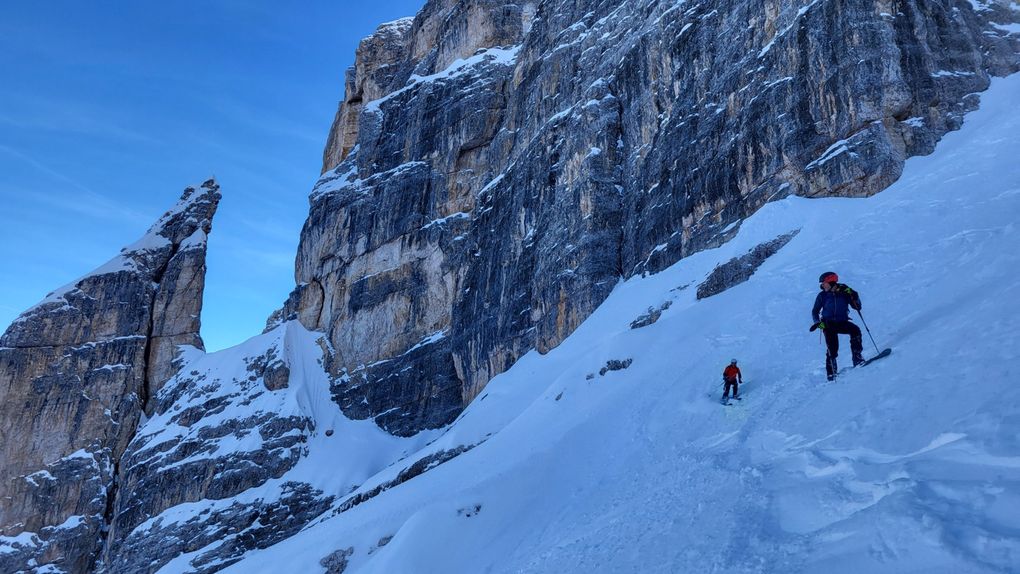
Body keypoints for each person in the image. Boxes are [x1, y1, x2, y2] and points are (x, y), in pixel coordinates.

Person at [810, 271, 864, 380]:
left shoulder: (844, 291)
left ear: (831, 282)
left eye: (824, 283)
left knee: (855, 331)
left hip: (842, 322)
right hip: (828, 325)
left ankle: (857, 358)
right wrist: (817, 323)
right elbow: (815, 311)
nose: (822, 285)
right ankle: (831, 374)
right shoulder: (822, 296)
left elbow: (857, 307)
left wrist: (853, 294)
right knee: (832, 348)